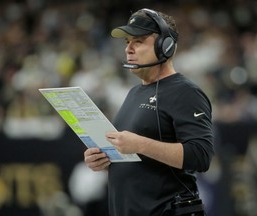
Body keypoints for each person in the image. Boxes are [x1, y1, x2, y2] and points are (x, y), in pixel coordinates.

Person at [84, 8, 214, 216]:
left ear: (166, 45)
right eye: (127, 42)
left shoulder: (186, 92)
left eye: (138, 41)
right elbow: (141, 162)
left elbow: (201, 155)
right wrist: (105, 160)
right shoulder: (134, 93)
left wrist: (140, 144)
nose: (129, 49)